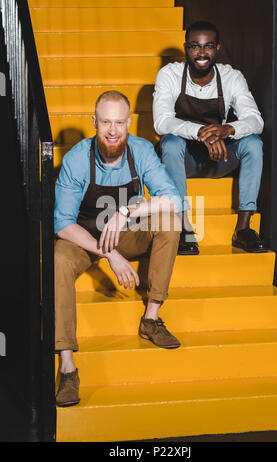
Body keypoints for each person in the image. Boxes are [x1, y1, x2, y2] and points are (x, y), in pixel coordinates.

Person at [54, 91, 182, 407]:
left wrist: (125, 213)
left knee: (171, 221)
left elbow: (173, 198)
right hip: (84, 238)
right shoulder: (75, 160)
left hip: (125, 233)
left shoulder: (141, 150)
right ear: (94, 122)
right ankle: (68, 365)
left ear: (128, 123)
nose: (113, 131)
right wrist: (109, 254)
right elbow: (62, 223)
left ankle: (151, 318)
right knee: (58, 257)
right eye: (106, 122)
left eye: (120, 123)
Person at [153, 20, 267, 255]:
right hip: (183, 161)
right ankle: (183, 227)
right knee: (171, 143)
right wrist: (200, 133)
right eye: (195, 46)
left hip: (219, 158)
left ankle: (244, 229)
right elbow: (161, 122)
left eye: (208, 46)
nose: (202, 53)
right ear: (186, 48)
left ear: (218, 48)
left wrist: (227, 130)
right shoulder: (170, 74)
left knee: (253, 143)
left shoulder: (231, 77)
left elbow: (256, 120)